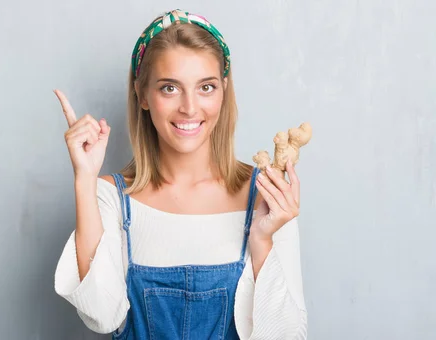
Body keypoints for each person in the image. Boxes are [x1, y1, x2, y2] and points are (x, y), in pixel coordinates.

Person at [53, 9, 307, 339]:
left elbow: (288, 336)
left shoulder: (267, 196)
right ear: (142, 94)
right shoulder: (110, 197)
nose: (189, 107)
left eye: (206, 87)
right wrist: (84, 179)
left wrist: (261, 240)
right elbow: (102, 317)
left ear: (223, 91)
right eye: (170, 88)